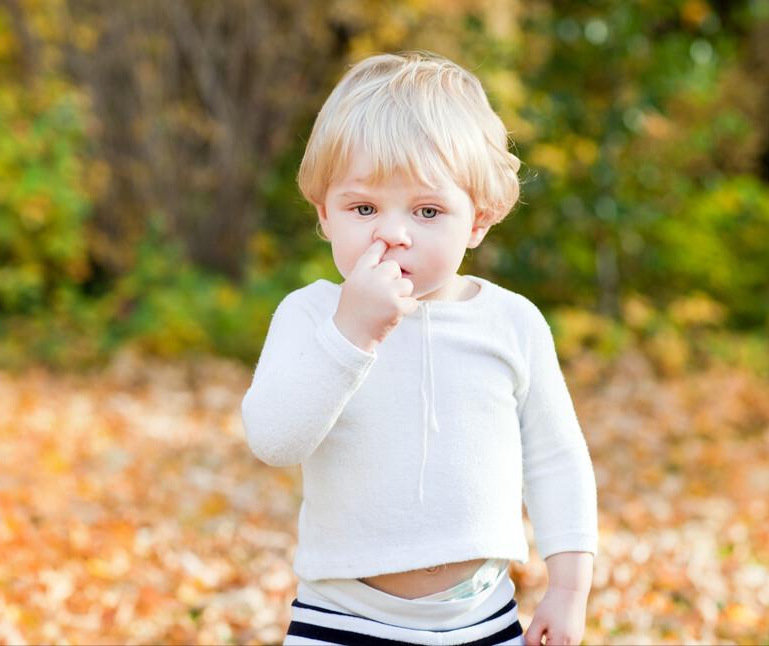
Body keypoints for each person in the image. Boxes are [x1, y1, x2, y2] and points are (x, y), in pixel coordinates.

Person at [241, 51, 597, 646]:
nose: (393, 233)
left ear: (479, 220)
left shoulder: (511, 323)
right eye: (363, 208)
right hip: (341, 618)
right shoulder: (311, 316)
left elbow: (557, 460)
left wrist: (568, 589)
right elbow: (275, 441)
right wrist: (352, 333)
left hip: (482, 618)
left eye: (427, 210)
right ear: (324, 214)